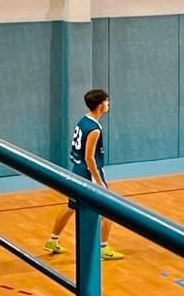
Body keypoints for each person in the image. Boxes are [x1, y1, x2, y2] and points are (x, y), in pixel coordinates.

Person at [44, 88, 124, 260]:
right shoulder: (94, 129)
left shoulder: (83, 121)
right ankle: (103, 248)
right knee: (109, 209)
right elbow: (89, 157)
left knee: (71, 207)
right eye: (106, 101)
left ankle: (53, 239)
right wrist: (98, 180)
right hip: (88, 173)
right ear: (100, 105)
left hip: (77, 170)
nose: (108, 103)